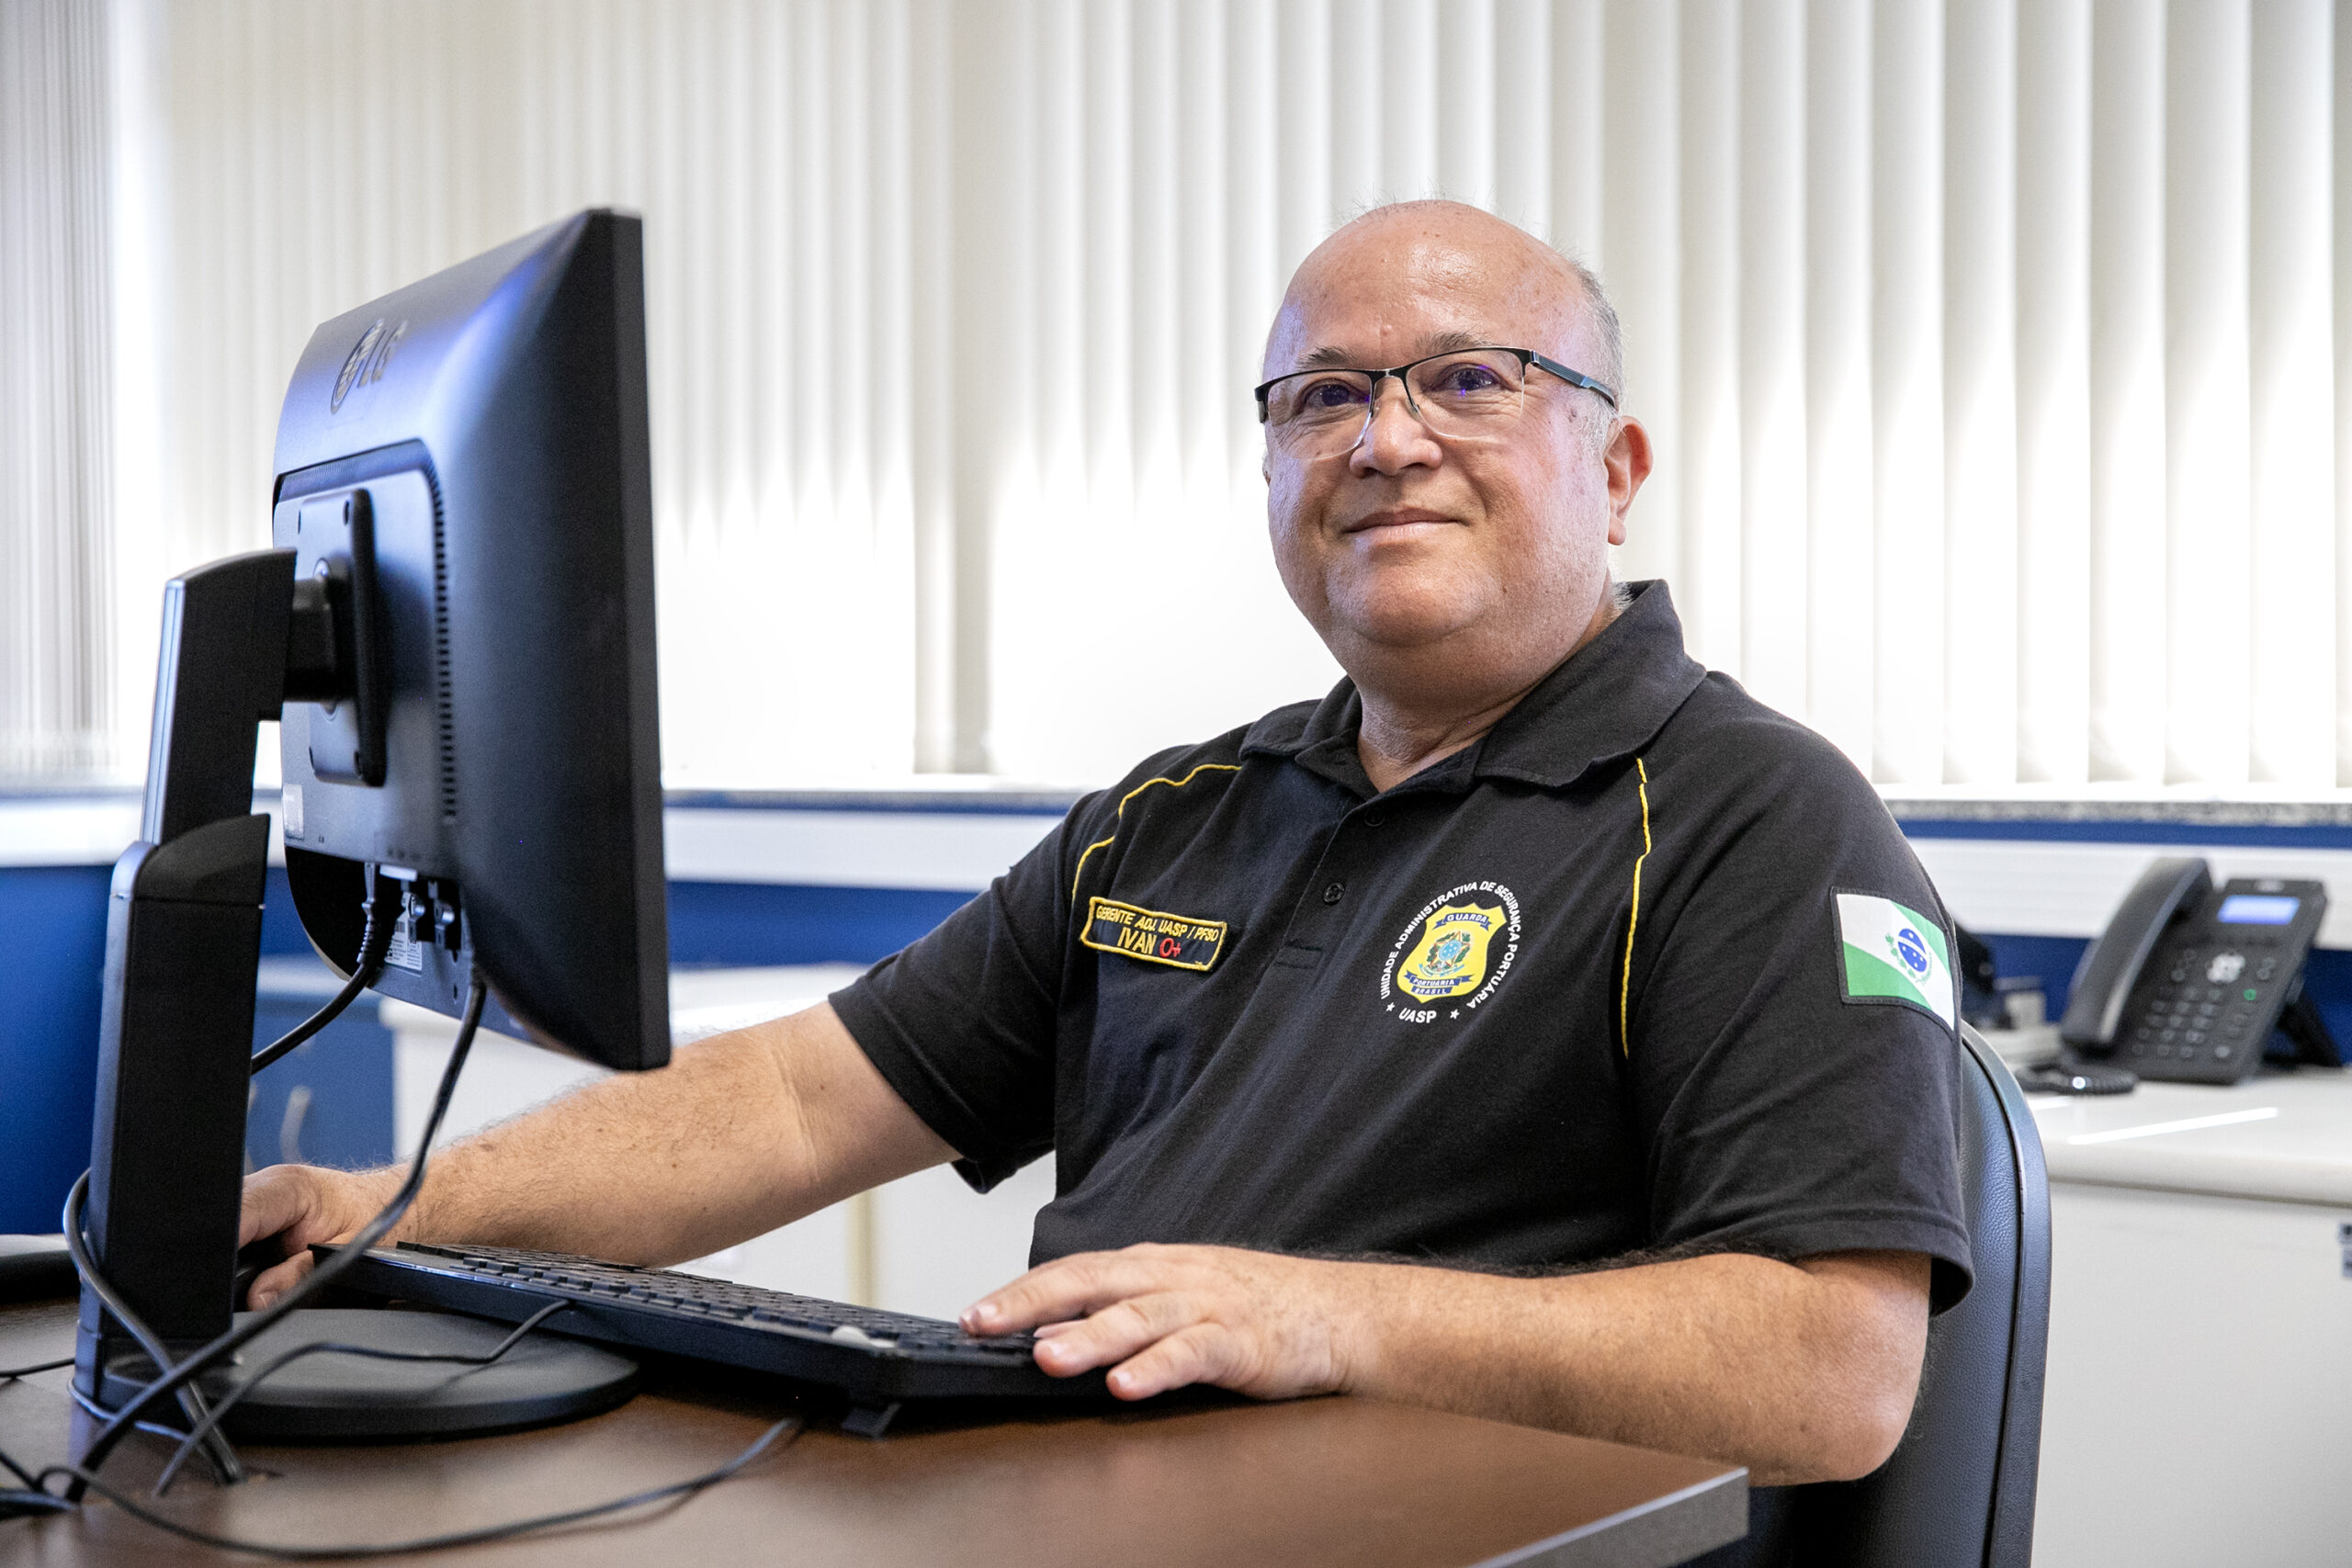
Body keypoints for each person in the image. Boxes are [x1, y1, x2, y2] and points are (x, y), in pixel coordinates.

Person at [242, 200, 1967, 1535]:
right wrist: (387, 1213)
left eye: (1465, 377)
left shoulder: (1765, 818)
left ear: (1618, 464)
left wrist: (1333, 1319)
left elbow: (1831, 1372)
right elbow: (793, 1107)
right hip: (1090, 1512)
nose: (1383, 440)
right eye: (1322, 396)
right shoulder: (1178, 813)